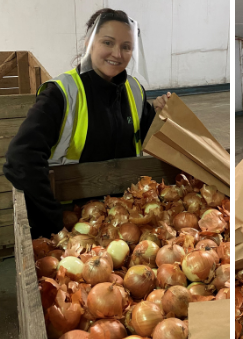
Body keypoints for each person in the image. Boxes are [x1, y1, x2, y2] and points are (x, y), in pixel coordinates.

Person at [3, 8, 171, 239]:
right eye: (108, 42)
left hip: (124, 222)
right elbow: (21, 159)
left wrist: (164, 117)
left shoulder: (134, 90)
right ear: (89, 43)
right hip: (72, 220)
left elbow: (152, 141)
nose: (117, 53)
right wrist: (54, 222)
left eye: (126, 46)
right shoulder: (61, 94)